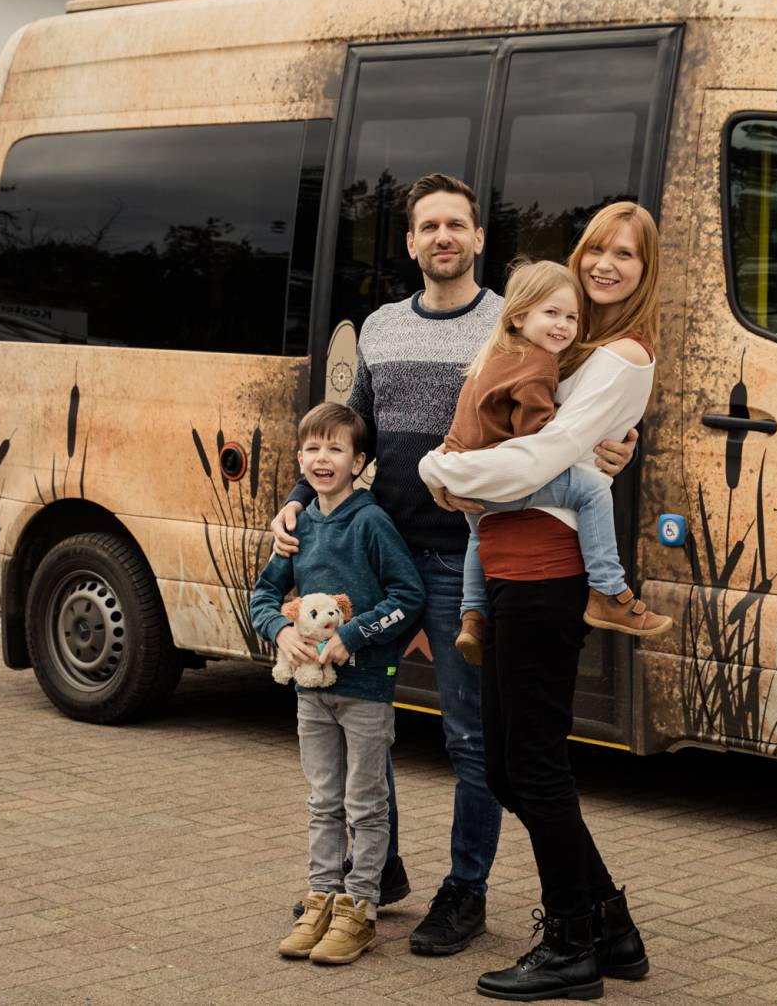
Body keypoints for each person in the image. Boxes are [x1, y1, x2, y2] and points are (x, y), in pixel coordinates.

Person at [266, 173, 637, 958]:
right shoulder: (381, 327)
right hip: (382, 556)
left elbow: (568, 423)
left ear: (477, 239)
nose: (443, 237)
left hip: (465, 556)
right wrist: (300, 495)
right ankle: (378, 870)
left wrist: (617, 445)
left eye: (457, 226)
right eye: (428, 226)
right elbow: (348, 429)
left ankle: (465, 890)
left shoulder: (513, 325)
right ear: (410, 242)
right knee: (368, 717)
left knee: (471, 741)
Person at [419, 202, 660, 1001]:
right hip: (516, 568)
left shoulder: (621, 355)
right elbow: (554, 450)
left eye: (625, 255)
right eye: (596, 248)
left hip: (544, 577)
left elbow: (543, 459)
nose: (605, 265)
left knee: (532, 766)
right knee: (513, 768)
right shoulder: (572, 348)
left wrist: (442, 475)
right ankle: (608, 924)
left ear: (644, 269)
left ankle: (570, 947)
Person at [432, 257, 673, 666]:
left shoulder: (495, 354)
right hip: (496, 478)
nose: (562, 325)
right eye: (552, 314)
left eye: (572, 318)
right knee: (594, 490)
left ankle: (471, 616)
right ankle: (609, 591)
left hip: (466, 477)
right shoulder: (539, 363)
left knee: (476, 535)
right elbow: (536, 438)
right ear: (520, 315)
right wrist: (580, 423)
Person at [252, 403, 424, 966]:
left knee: (365, 806)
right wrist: (280, 632)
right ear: (301, 460)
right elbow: (261, 597)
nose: (323, 459)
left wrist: (353, 634)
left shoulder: (370, 523)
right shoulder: (298, 527)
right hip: (311, 693)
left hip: (367, 690)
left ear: (359, 462)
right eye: (312, 450)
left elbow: (408, 596)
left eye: (335, 450)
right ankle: (321, 898)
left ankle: (361, 910)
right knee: (323, 801)